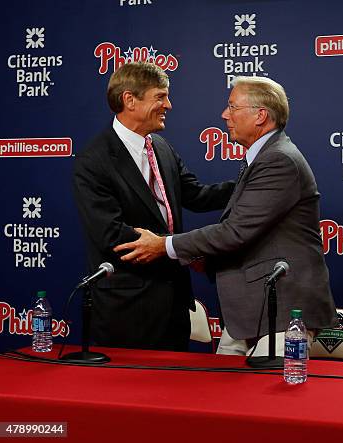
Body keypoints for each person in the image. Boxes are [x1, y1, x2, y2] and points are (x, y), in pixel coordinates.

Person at [113, 76, 337, 355]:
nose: (224, 114)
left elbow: (235, 232)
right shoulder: (264, 156)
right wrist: (206, 258)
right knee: (223, 391)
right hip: (251, 310)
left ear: (260, 116)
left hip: (282, 311)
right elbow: (253, 233)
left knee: (265, 397)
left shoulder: (278, 160)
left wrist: (163, 245)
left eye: (232, 107)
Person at [73, 62, 234, 351]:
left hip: (174, 303)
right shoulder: (93, 161)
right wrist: (172, 248)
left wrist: (249, 183)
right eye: (160, 97)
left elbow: (196, 195)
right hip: (127, 309)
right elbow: (110, 234)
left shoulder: (161, 147)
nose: (168, 105)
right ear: (129, 100)